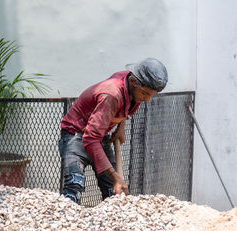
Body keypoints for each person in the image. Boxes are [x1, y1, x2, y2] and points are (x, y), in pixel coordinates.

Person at [58, 58, 168, 204]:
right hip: (76, 135)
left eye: (151, 95)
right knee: (74, 186)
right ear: (133, 82)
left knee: (114, 191)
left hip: (98, 135)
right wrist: (115, 175)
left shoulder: (131, 86)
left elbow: (125, 104)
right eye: (145, 94)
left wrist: (121, 127)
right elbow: (90, 138)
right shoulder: (111, 95)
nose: (147, 99)